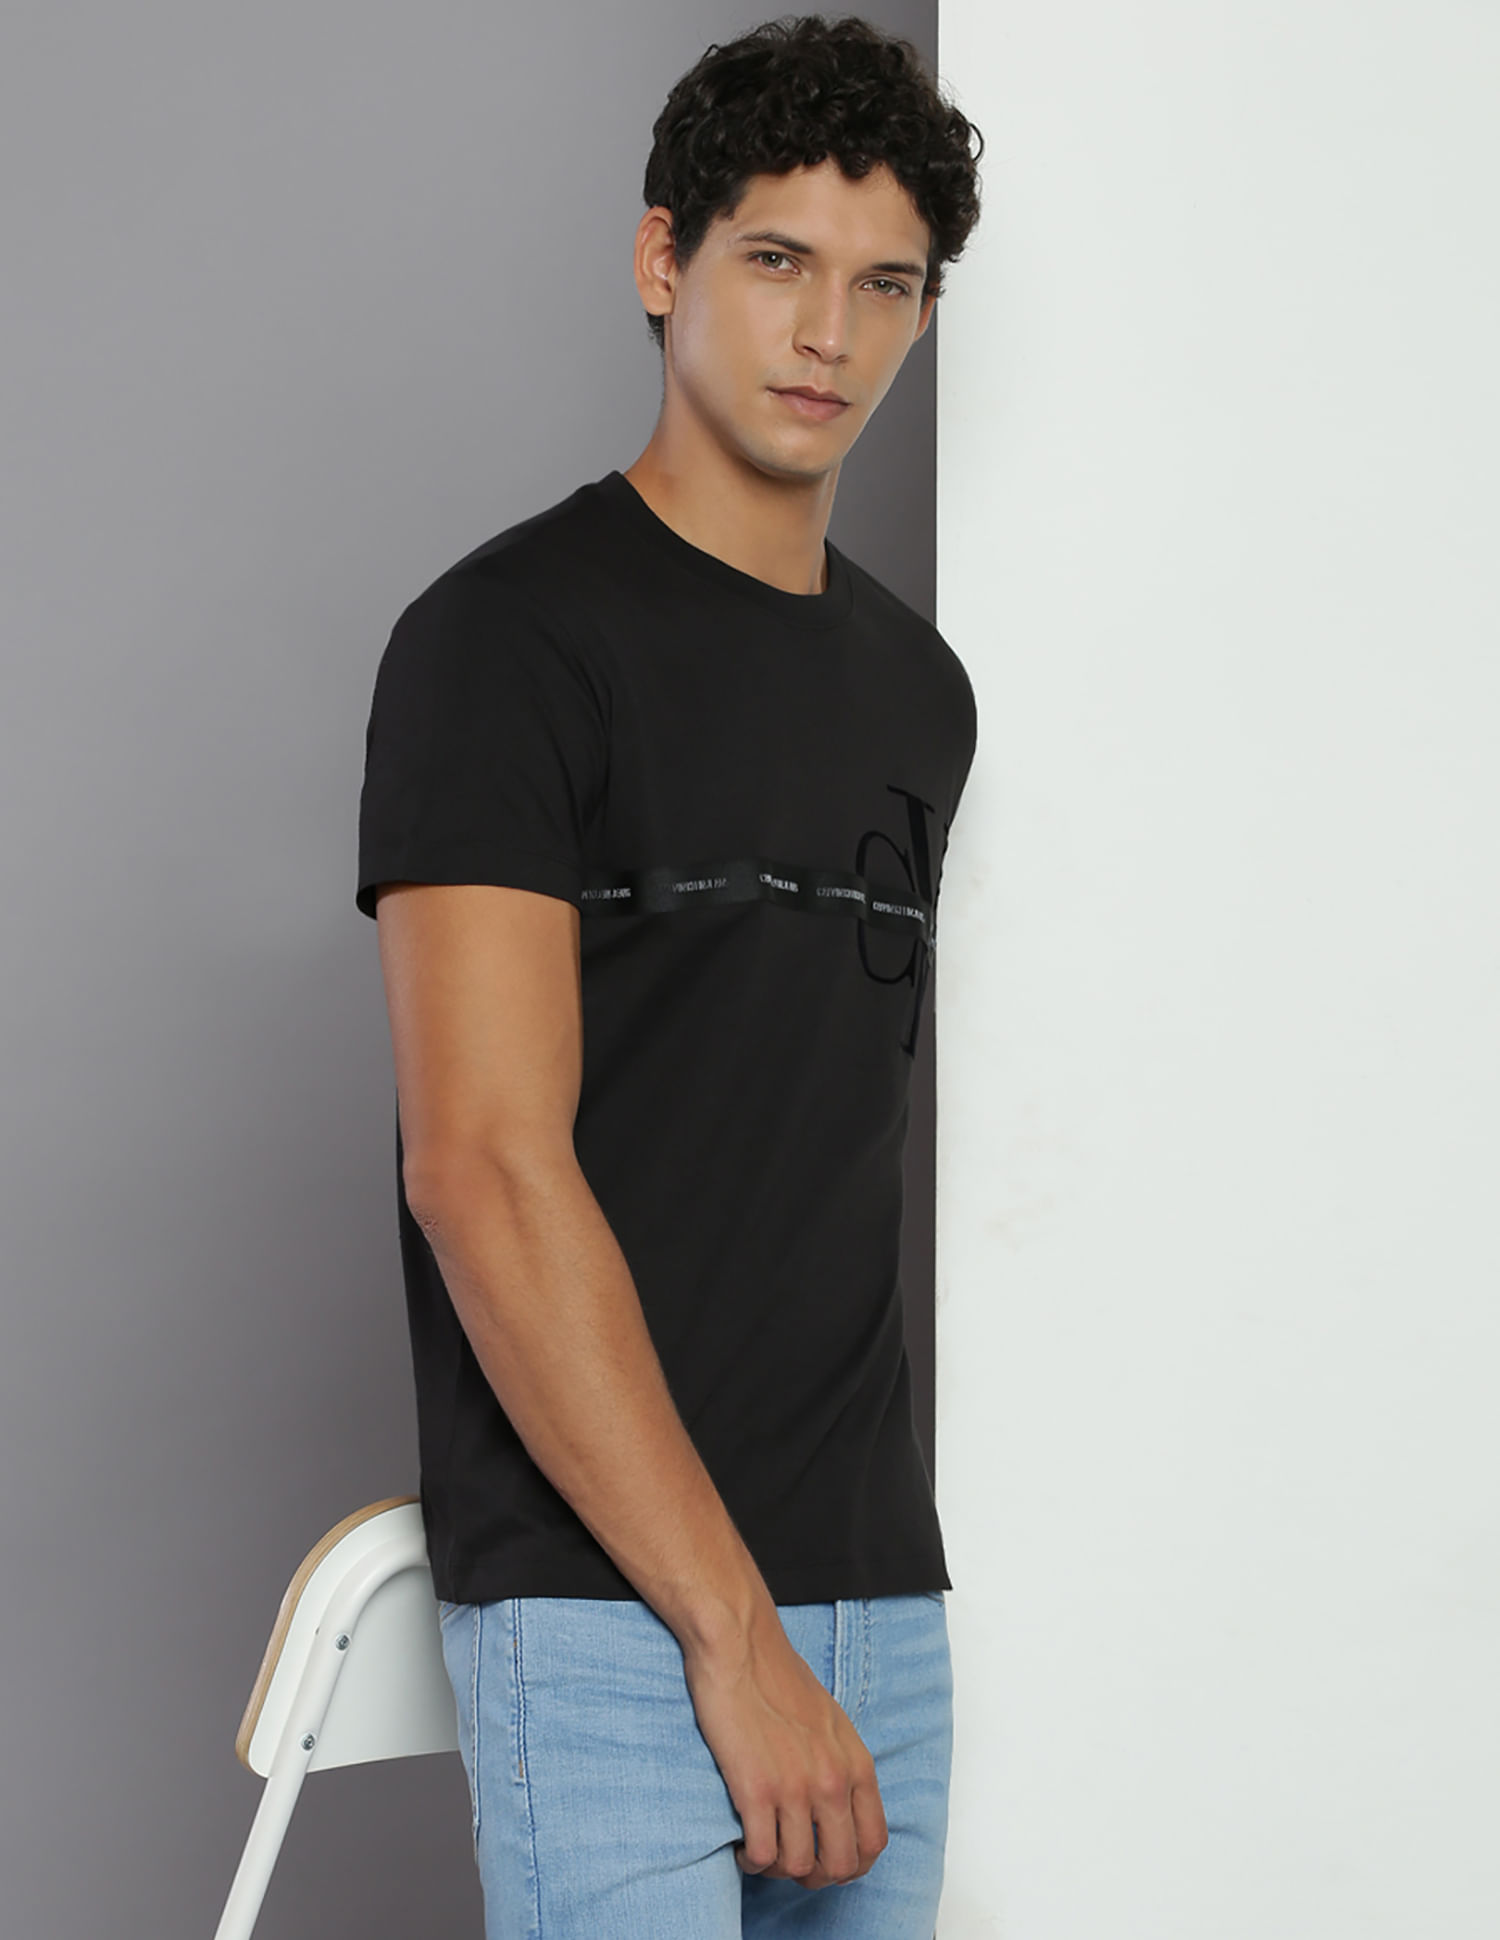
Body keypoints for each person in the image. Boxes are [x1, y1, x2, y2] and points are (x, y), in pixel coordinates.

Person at [354, 15, 983, 1936]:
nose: (829, 334)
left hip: (878, 1599)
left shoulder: (922, 694)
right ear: (663, 261)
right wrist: (729, 1634)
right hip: (608, 1607)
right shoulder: (508, 642)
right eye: (777, 259)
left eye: (887, 286)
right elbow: (482, 1168)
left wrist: (825, 1628)